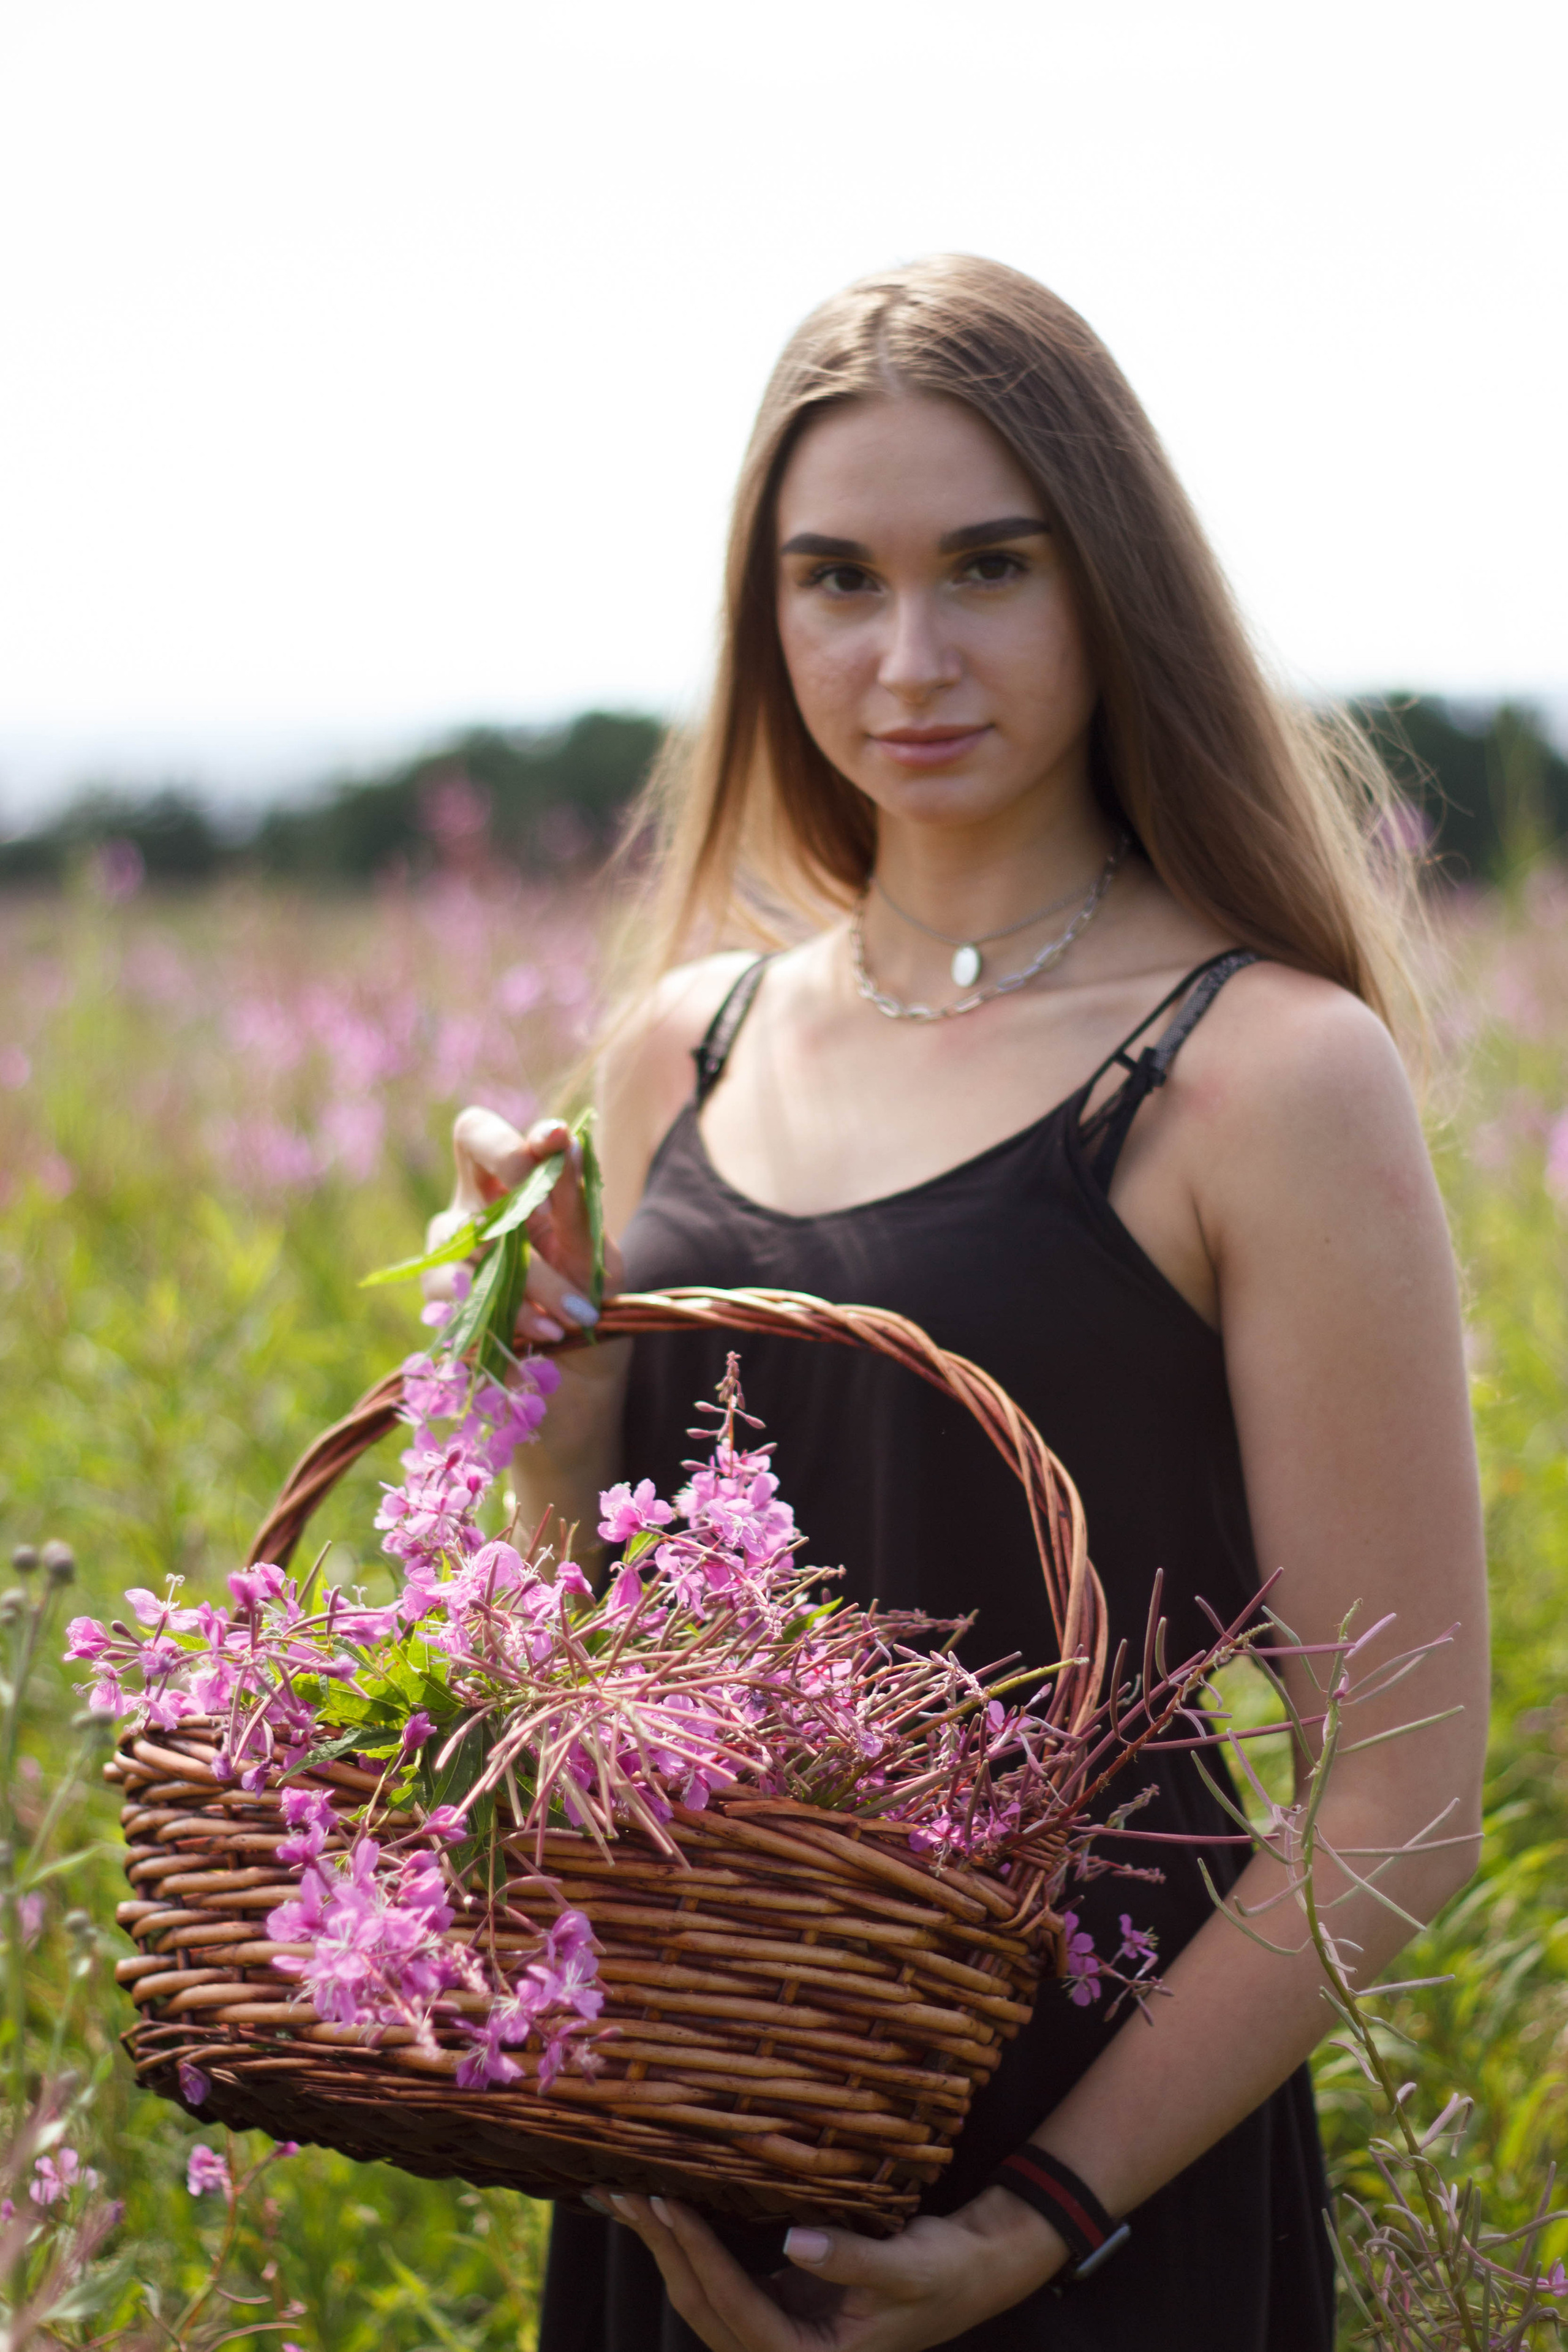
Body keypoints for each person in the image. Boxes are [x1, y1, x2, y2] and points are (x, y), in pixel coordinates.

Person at [428, 257, 1487, 2352]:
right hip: (708, 2118)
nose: (908, 657)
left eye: (987, 567)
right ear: (771, 619)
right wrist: (541, 1419)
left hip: (1092, 2141)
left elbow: (1403, 1789)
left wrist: (1039, 2216)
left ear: (1111, 589)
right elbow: (599, 1671)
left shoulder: (1258, 1072)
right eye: (836, 580)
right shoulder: (682, 1053)